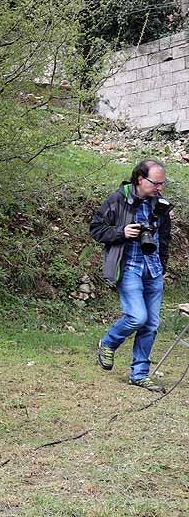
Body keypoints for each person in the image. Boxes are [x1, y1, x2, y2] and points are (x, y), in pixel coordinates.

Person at [90, 159, 172, 393]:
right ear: (140, 179)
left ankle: (139, 374)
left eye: (162, 183)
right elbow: (96, 229)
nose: (159, 187)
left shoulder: (161, 204)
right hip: (129, 268)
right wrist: (122, 232)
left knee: (151, 324)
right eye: (155, 183)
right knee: (137, 317)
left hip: (153, 269)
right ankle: (108, 342)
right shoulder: (117, 200)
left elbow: (165, 238)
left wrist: (162, 265)